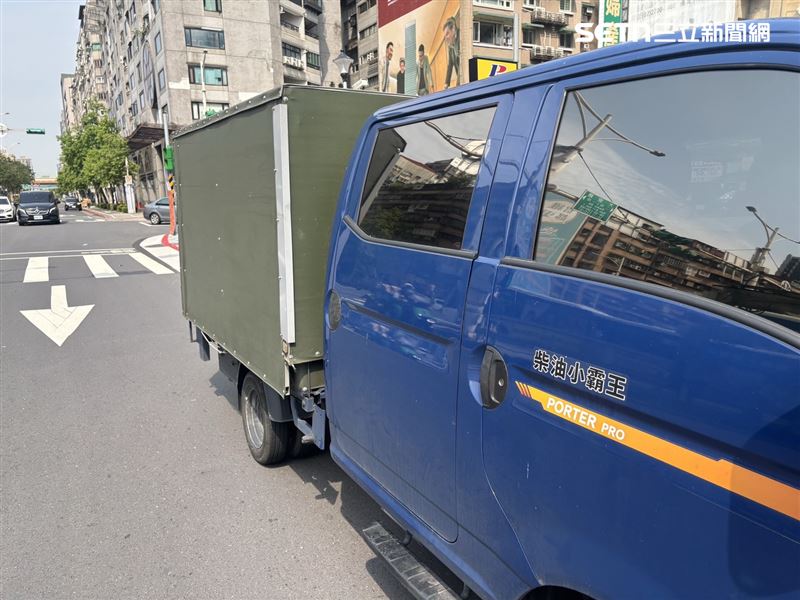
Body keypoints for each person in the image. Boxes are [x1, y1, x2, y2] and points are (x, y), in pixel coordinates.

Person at [443, 17, 460, 89]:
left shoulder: (461, 37)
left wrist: (458, 84)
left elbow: (463, 63)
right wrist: (446, 83)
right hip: (460, 77)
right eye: (445, 35)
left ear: (453, 29)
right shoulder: (450, 46)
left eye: (447, 33)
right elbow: (450, 65)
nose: (446, 37)